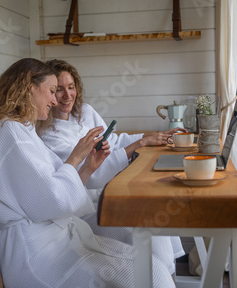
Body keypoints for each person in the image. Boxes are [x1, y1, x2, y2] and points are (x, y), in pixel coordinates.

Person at [0, 58, 175, 288]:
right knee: (148, 275)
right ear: (30, 88)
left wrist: (88, 166)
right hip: (36, 254)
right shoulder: (9, 133)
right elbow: (53, 200)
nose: (54, 99)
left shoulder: (20, 131)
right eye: (51, 90)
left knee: (151, 268)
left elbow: (56, 189)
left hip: (55, 237)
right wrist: (77, 156)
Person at [36, 59, 186, 266]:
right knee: (150, 218)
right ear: (50, 93)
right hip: (92, 202)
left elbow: (114, 141)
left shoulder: (85, 112)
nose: (67, 95)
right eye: (58, 90)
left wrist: (153, 136)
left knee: (155, 207)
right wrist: (139, 143)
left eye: (71, 88)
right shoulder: (48, 135)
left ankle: (165, 276)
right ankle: (161, 276)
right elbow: (91, 177)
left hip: (116, 188)